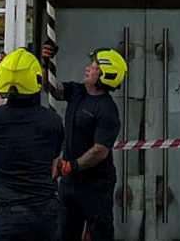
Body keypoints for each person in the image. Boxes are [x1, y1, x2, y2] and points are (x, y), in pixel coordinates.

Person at [41, 43, 125, 241]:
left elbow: (100, 151)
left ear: (105, 75)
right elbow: (51, 88)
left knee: (99, 234)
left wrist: (73, 165)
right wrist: (46, 62)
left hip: (96, 186)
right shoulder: (77, 91)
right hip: (70, 182)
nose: (88, 68)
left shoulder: (107, 110)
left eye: (94, 66)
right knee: (65, 233)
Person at [0, 49, 64, 241]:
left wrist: (4, 71)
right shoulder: (52, 121)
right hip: (46, 216)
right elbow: (53, 168)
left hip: (9, 217)